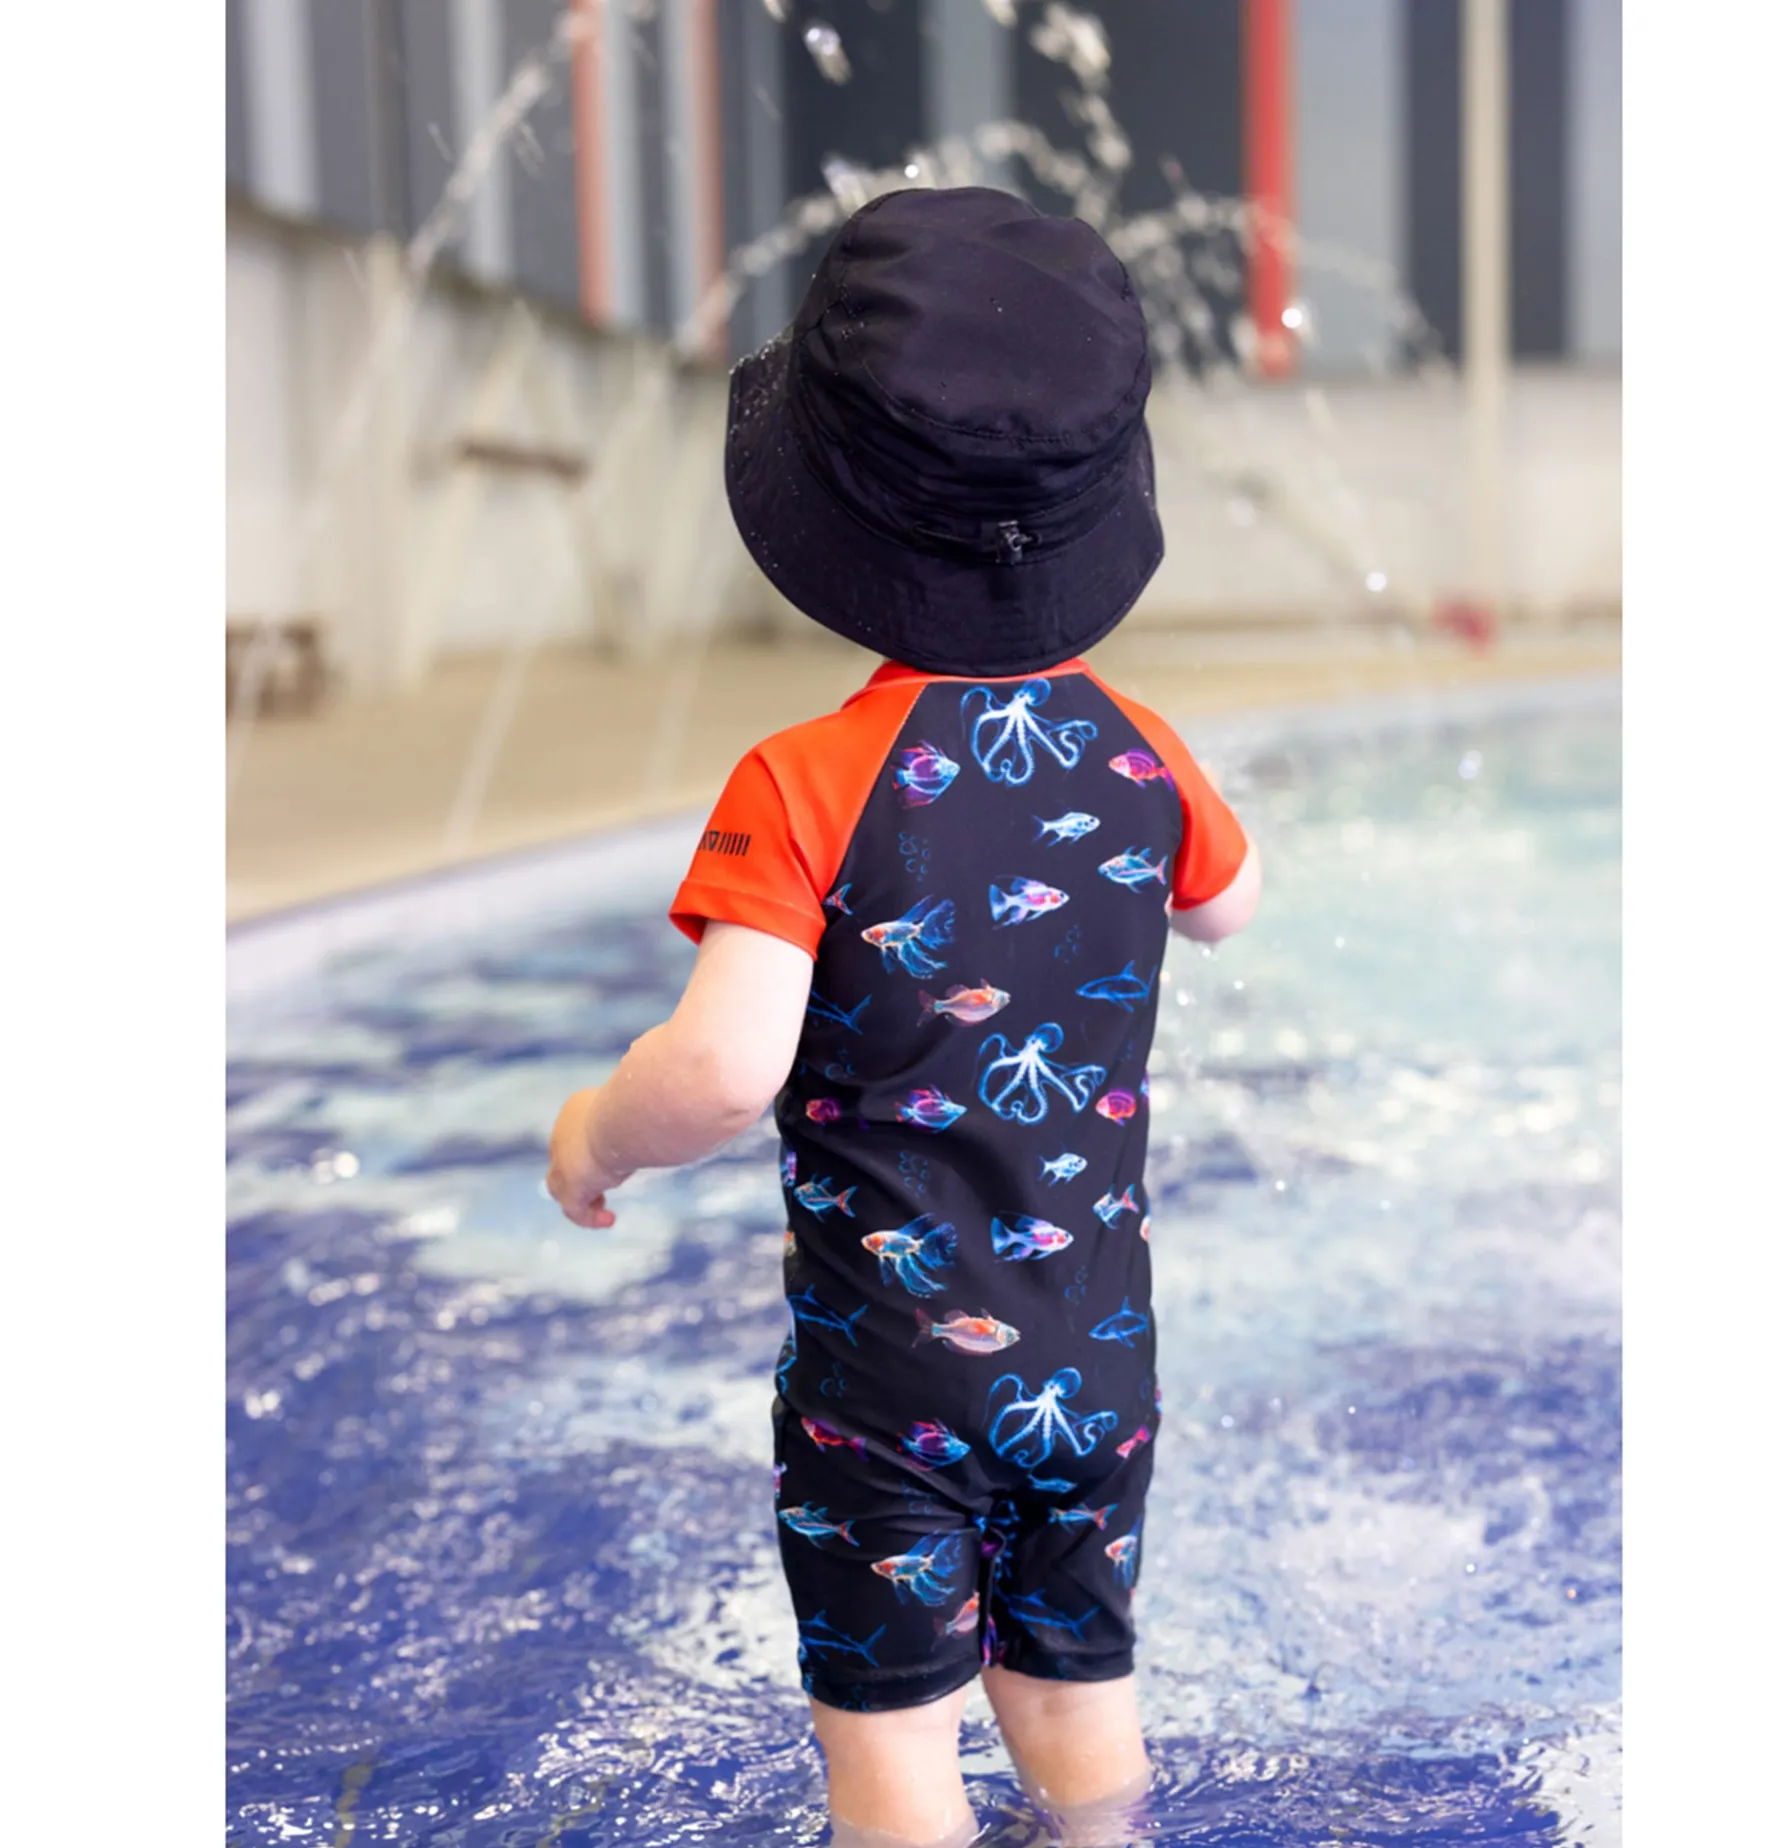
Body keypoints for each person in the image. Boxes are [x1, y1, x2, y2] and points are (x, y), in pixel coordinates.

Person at [547, 187, 1261, 1848]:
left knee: (895, 1748)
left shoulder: (805, 783)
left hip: (891, 1393)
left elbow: (722, 1069)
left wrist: (594, 1134)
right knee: (1079, 1713)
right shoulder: (1140, 752)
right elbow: (1229, 903)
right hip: (1100, 1360)